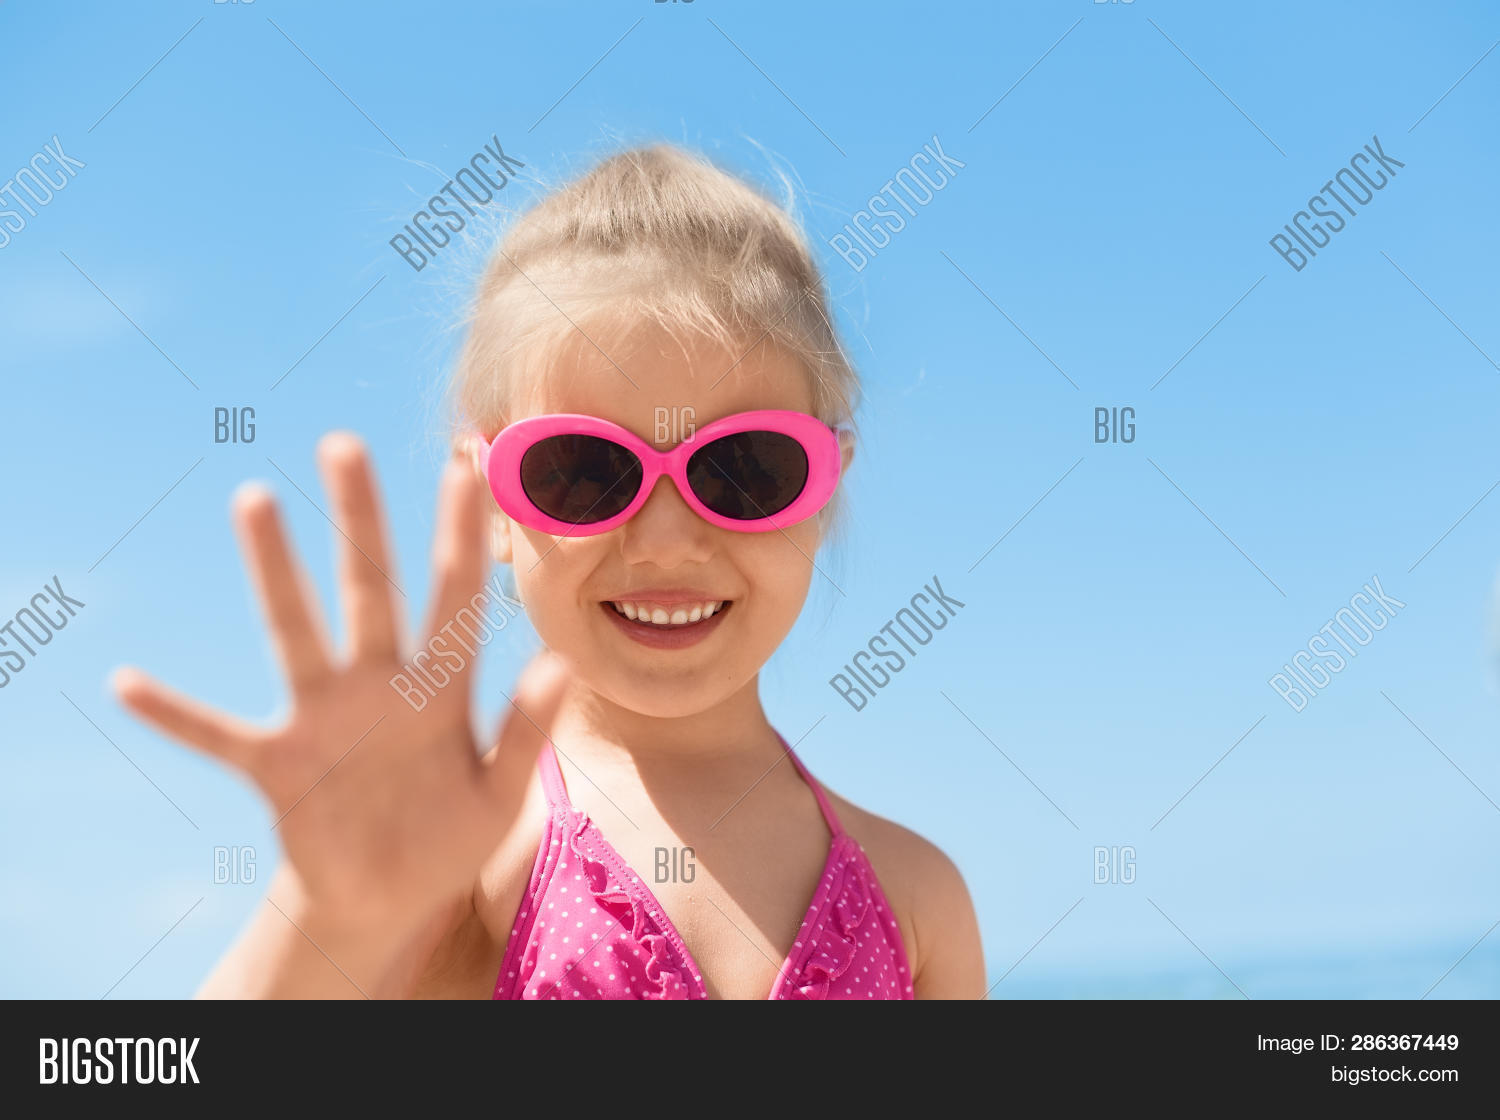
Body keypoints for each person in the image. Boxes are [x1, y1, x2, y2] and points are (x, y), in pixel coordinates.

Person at [111, 146, 984, 999]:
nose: (666, 541)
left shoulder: (918, 897)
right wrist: (331, 917)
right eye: (582, 471)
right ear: (487, 499)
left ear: (825, 491)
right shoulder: (467, 854)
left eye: (745, 468)